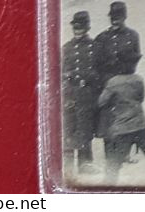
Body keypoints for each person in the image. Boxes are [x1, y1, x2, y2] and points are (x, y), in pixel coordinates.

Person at [96, 65, 145, 185]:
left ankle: (106, 189)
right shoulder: (138, 79)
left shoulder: (112, 82)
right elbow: (141, 98)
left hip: (122, 129)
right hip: (140, 127)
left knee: (113, 164)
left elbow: (101, 102)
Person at [62, 11, 101, 176]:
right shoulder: (66, 48)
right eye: (75, 28)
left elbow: (99, 71)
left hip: (86, 93)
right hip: (70, 93)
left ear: (87, 28)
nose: (77, 31)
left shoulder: (94, 47)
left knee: (85, 127)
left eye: (81, 28)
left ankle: (85, 163)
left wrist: (89, 78)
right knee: (69, 126)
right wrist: (66, 76)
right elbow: (60, 69)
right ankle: (68, 162)